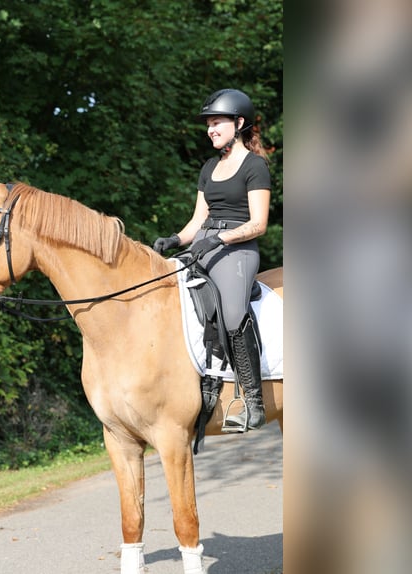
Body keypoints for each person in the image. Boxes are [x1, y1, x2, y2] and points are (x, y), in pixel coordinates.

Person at [153, 88, 271, 430]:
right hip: (203, 242)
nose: (210, 129)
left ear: (239, 123)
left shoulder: (255, 166)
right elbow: (197, 220)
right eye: (209, 124)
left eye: (217, 122)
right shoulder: (208, 166)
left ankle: (253, 402)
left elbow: (258, 224)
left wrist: (218, 238)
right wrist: (175, 239)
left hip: (236, 249)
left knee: (233, 316)